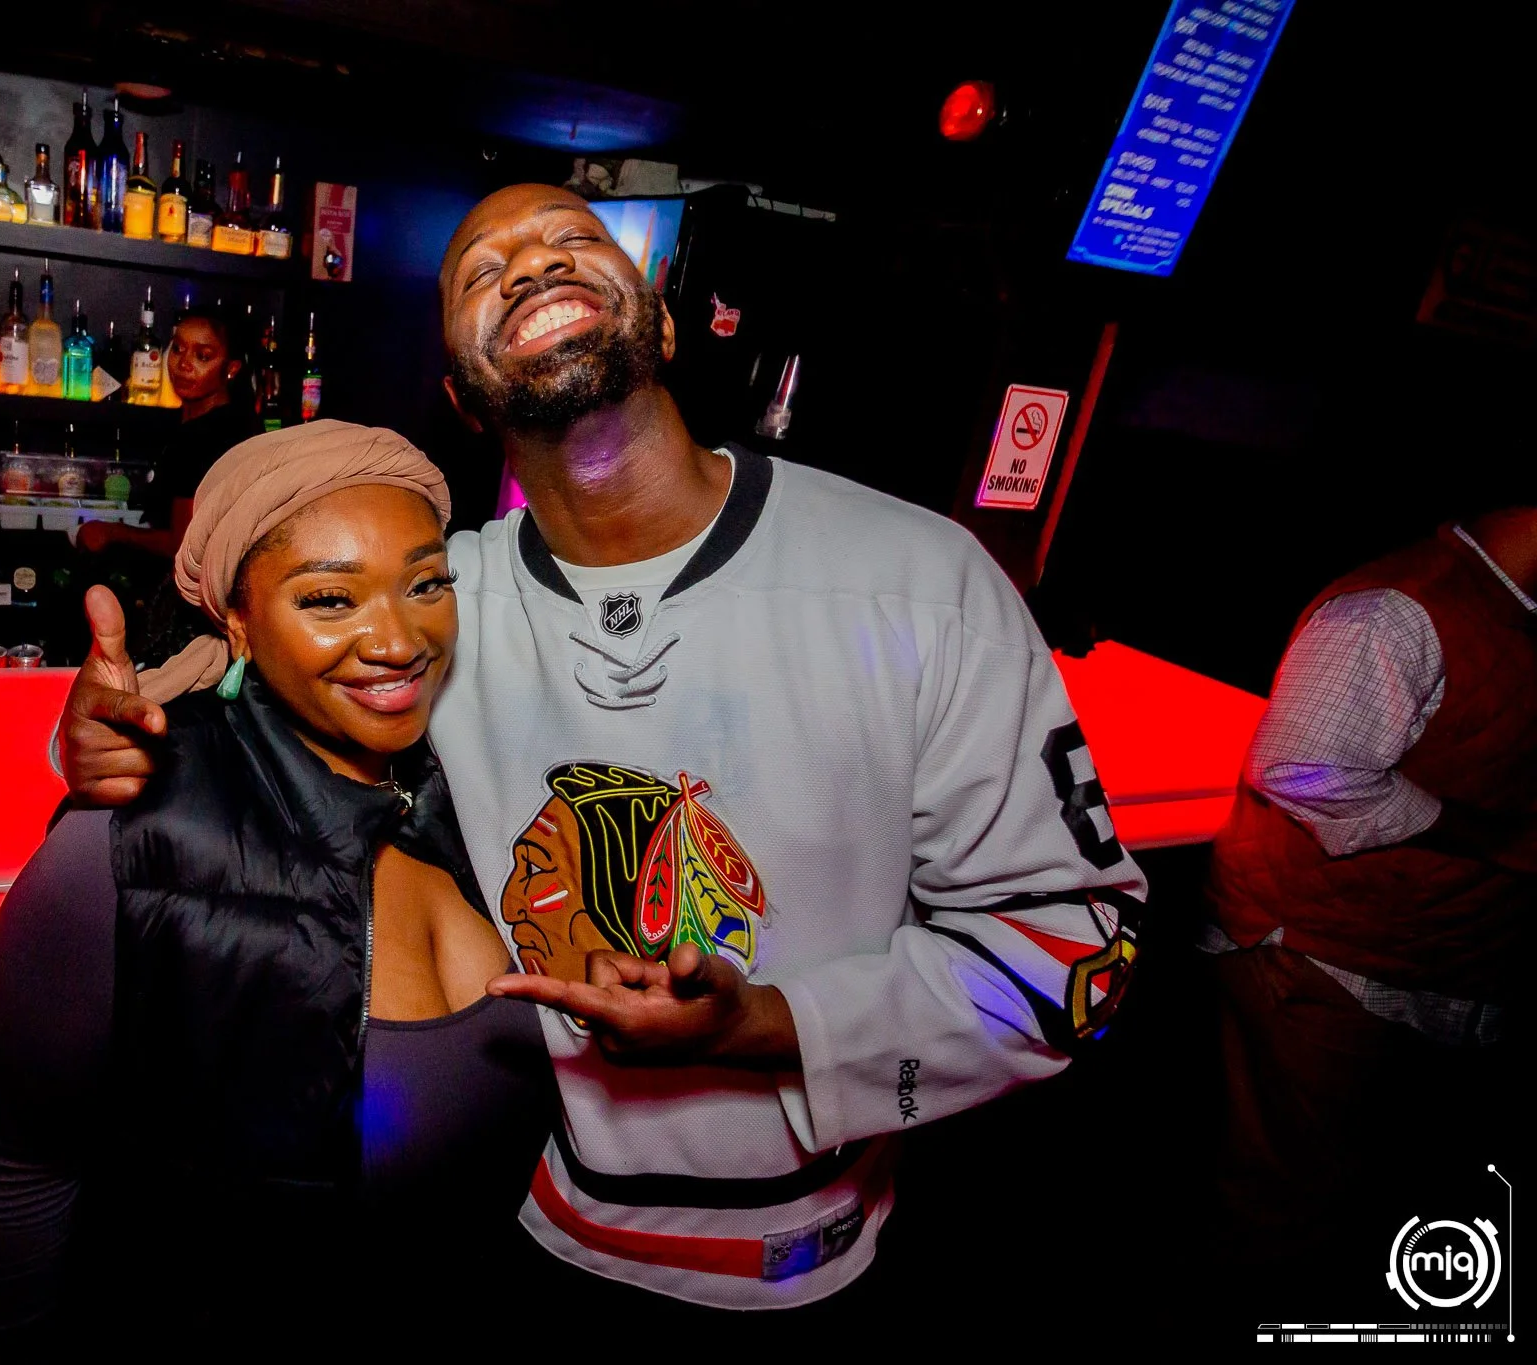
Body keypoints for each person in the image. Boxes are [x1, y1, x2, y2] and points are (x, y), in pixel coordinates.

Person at [56, 184, 1147, 1316]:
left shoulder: (917, 582)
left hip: (807, 1265)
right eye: (483, 273)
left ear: (662, 326)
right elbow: (250, 697)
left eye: (572, 240)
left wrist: (769, 1026)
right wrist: (104, 739)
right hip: (521, 1230)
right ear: (460, 395)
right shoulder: (434, 605)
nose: (531, 264)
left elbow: (1079, 951)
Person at [0, 422, 555, 1349]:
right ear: (236, 618)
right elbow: (13, 1175)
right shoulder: (132, 840)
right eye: (330, 598)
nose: (399, 639)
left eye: (426, 584)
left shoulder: (477, 791)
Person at [1205, 508, 1533, 1279]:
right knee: (1288, 1211)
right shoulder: (1397, 611)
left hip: (1438, 960)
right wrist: (1495, 838)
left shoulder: (1504, 612)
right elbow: (1299, 769)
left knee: (1370, 1196)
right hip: (1327, 962)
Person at [76, 305, 256, 560]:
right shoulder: (195, 422)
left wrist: (111, 533)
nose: (183, 364)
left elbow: (184, 544)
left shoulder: (212, 435)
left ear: (231, 369)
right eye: (178, 348)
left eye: (202, 356)